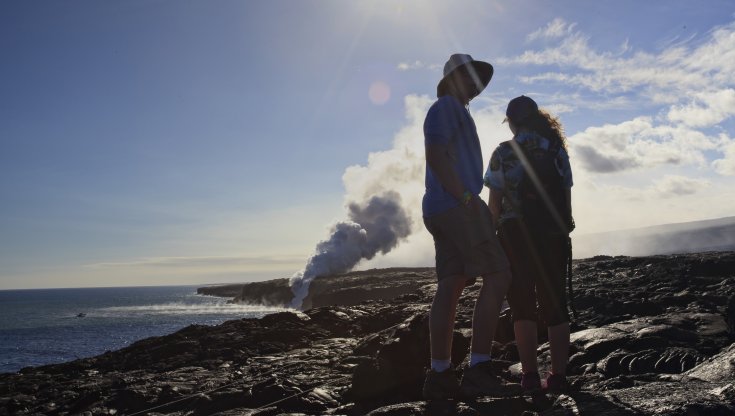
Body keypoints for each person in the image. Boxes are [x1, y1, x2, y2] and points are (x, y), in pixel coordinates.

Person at [422, 54, 514, 400]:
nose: (475, 84)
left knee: (452, 284)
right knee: (499, 275)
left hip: (438, 205)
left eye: (477, 79)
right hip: (455, 204)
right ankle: (478, 367)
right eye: (469, 77)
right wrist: (464, 197)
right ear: (455, 79)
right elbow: (436, 153)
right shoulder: (447, 107)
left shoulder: (452, 108)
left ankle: (440, 373)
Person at [484, 95, 574, 392]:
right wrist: (564, 227)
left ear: (511, 122)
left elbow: (494, 203)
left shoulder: (503, 153)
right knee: (556, 305)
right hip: (553, 236)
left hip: (514, 238)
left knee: (522, 306)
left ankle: (530, 377)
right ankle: (559, 377)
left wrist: (489, 235)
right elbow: (566, 194)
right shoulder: (556, 150)